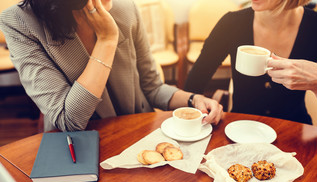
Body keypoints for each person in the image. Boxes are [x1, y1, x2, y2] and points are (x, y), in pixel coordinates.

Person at [0, 0, 223, 132]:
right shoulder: (20, 23)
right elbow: (70, 119)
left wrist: (194, 100)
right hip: (79, 150)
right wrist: (107, 40)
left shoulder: (125, 8)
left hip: (136, 134)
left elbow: (153, 88)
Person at [184, 0, 317, 136]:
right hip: (238, 133)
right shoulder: (231, 24)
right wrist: (203, 104)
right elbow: (191, 89)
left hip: (294, 137)